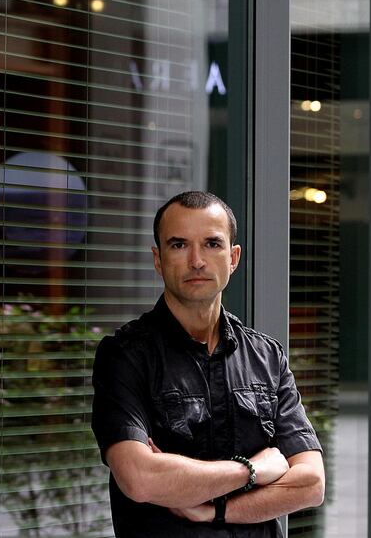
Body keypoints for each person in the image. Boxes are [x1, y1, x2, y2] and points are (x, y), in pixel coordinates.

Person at [92, 191, 324, 537]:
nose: (197, 260)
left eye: (212, 244)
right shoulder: (125, 355)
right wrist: (255, 470)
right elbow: (140, 479)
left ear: (233, 258)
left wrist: (213, 510)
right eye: (179, 245)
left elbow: (311, 483)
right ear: (158, 259)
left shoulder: (266, 356)